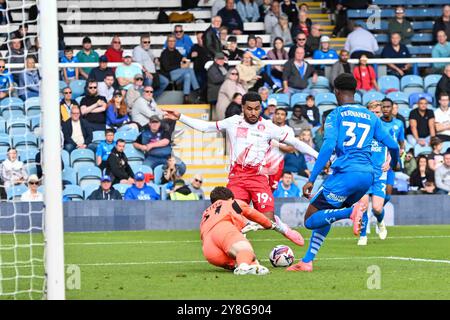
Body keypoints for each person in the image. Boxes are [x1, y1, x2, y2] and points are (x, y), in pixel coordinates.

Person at [164, 92, 320, 246]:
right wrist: (180, 117)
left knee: (268, 219)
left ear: (261, 108)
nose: (253, 112)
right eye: (249, 109)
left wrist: (319, 156)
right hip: (237, 178)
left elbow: (296, 143)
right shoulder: (233, 122)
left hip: (258, 178)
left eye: (257, 109)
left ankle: (284, 229)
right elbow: (206, 127)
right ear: (243, 107)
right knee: (233, 218)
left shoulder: (268, 126)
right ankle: (242, 253)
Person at [287, 73, 399, 272]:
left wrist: (311, 178)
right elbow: (393, 145)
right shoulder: (371, 117)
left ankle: (350, 212)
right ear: (355, 92)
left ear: (336, 92)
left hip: (345, 174)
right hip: (366, 177)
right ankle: (307, 261)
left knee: (310, 220)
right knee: (326, 213)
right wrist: (395, 164)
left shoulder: (336, 114)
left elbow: (328, 146)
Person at [200, 186, 304, 275]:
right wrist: (270, 225)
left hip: (209, 249)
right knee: (245, 250)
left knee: (250, 258)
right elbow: (253, 214)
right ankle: (243, 268)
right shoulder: (232, 202)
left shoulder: (206, 213)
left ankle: (246, 265)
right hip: (223, 230)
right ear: (231, 198)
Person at [357, 101, 391, 246]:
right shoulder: (362, 131)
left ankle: (380, 221)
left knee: (377, 208)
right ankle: (363, 236)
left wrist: (389, 161)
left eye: (378, 112)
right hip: (364, 173)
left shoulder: (385, 130)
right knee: (363, 206)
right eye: (373, 112)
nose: (376, 115)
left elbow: (393, 149)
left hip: (380, 174)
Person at [160, 35, 200, 104]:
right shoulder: (164, 53)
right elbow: (167, 68)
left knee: (187, 75)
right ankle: (198, 91)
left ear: (175, 42)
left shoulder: (176, 51)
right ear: (167, 42)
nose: (172, 43)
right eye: (170, 41)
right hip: (169, 75)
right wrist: (180, 66)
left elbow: (183, 59)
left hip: (177, 75)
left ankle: (186, 97)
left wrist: (186, 59)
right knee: (189, 70)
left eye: (173, 41)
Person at [381, 98, 405, 200]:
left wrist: (401, 154)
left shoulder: (399, 123)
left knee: (388, 192)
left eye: (388, 107)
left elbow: (401, 142)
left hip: (392, 157)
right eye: (383, 107)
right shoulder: (378, 122)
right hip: (380, 156)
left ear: (392, 108)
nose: (386, 109)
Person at [267, 107, 295, 190]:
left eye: (282, 114)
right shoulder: (268, 125)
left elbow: (291, 149)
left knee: (272, 188)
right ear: (274, 115)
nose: (279, 116)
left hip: (277, 163)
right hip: (263, 161)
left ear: (285, 117)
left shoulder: (288, 130)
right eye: (278, 114)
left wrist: (277, 145)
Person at [189, 32, 210, 99]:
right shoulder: (194, 47)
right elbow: (188, 57)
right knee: (199, 79)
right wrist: (191, 56)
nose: (199, 40)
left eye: (200, 38)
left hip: (209, 70)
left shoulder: (209, 47)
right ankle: (199, 97)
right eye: (197, 38)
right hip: (198, 70)